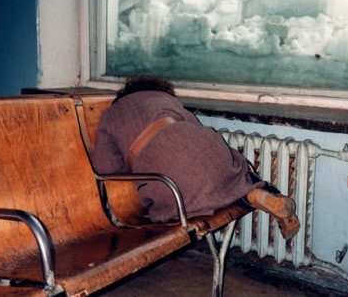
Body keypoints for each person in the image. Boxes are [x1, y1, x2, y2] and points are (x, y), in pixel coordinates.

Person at [92, 75, 300, 239]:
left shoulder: (110, 116)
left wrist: (134, 160)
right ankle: (256, 193)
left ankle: (245, 194)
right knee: (238, 172)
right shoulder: (164, 99)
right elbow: (193, 129)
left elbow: (105, 169)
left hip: (171, 184)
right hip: (213, 156)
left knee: (177, 198)